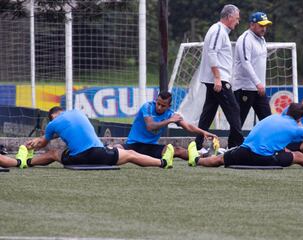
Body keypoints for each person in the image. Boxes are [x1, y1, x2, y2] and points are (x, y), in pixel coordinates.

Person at [187, 103, 303, 169]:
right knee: (299, 156)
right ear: (299, 118)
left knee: (220, 159)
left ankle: (196, 160)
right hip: (264, 159)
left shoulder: (272, 117)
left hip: (245, 151)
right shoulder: (297, 128)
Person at [14, 106, 175, 169]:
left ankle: (25, 162)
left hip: (78, 158)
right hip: (99, 153)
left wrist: (34, 144)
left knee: (53, 153)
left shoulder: (51, 125)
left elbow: (43, 142)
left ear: (51, 118)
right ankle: (162, 162)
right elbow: (71, 129)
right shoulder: (77, 112)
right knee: (131, 155)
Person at [195, 4, 244, 150]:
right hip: (218, 80)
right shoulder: (217, 30)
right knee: (234, 110)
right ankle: (237, 146)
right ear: (229, 17)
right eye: (236, 18)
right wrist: (217, 78)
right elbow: (212, 53)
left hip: (216, 79)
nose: (238, 21)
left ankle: (196, 145)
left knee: (208, 113)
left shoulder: (220, 31)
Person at [124, 91, 218, 160]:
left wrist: (204, 132)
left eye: (163, 105)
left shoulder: (171, 114)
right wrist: (169, 121)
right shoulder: (147, 107)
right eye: (158, 103)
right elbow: (150, 126)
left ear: (169, 106)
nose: (159, 107)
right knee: (117, 148)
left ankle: (204, 157)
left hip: (151, 147)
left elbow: (188, 127)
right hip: (133, 145)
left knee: (177, 150)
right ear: (156, 100)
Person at [232, 11, 272, 127]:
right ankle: (233, 145)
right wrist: (258, 83)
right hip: (244, 88)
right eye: (261, 25)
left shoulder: (262, 39)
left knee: (268, 121)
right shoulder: (245, 39)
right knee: (238, 122)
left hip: (259, 89)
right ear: (252, 24)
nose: (264, 28)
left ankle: (268, 145)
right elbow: (246, 63)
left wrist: (260, 84)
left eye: (265, 26)